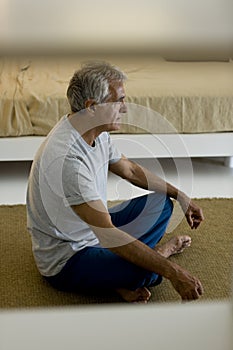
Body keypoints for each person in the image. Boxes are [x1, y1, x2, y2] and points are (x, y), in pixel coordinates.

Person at [26, 61, 204, 303]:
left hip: (95, 228)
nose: (124, 108)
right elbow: (109, 236)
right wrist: (174, 272)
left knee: (162, 204)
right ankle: (153, 257)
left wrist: (180, 194)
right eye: (119, 100)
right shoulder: (68, 161)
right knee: (147, 270)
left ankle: (125, 271)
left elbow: (129, 170)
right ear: (91, 106)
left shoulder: (94, 129)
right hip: (68, 257)